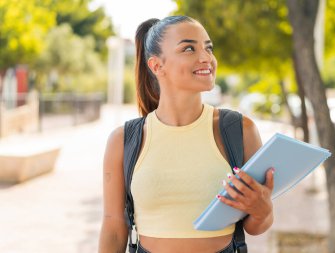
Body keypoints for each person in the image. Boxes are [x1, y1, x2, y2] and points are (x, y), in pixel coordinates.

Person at [98, 15, 274, 253]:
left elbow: (255, 226)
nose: (206, 58)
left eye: (208, 48)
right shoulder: (124, 140)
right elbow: (113, 228)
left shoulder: (239, 130)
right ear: (157, 65)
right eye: (189, 48)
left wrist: (264, 210)